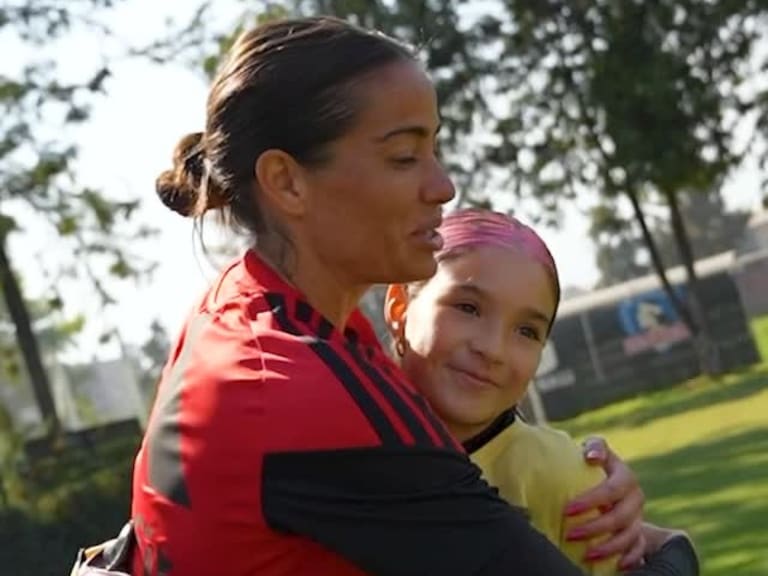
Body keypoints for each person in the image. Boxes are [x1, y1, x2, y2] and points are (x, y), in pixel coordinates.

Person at [127, 15, 698, 576]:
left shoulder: (242, 312)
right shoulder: (302, 389)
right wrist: (670, 549)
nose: (443, 185)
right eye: (404, 156)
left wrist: (554, 470)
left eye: (434, 150)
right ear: (286, 181)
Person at [384, 209, 699, 574]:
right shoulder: (335, 437)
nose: (493, 348)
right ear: (400, 307)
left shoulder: (568, 482)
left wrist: (672, 554)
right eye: (468, 308)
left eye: (527, 332)